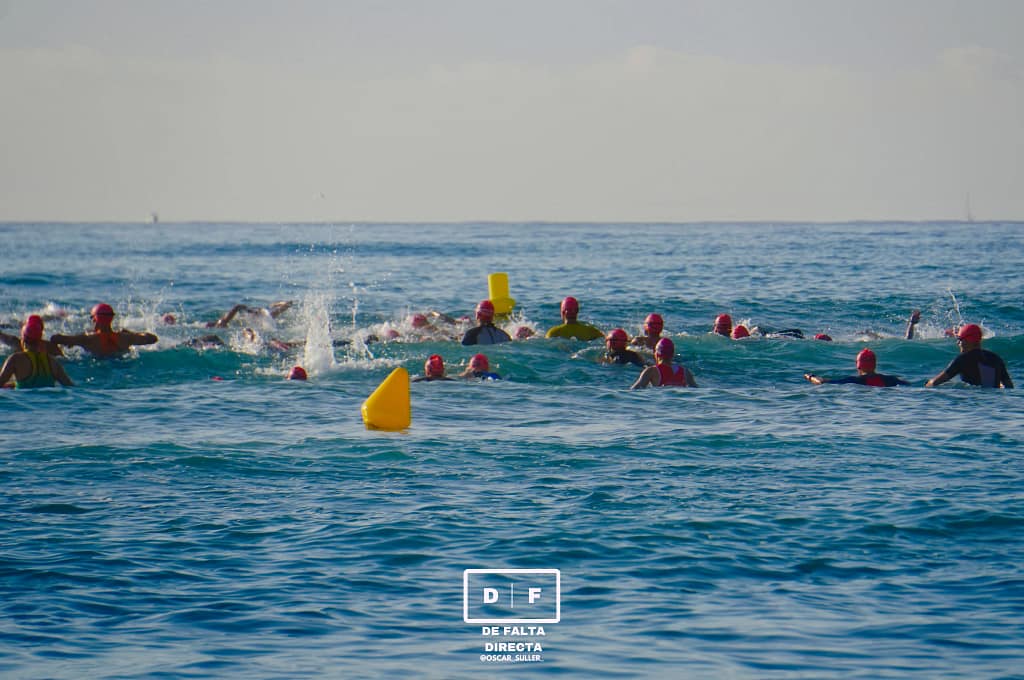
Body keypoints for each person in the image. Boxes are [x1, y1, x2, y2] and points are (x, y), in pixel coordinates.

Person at [50, 303, 158, 357]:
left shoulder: (88, 338)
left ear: (95, 319)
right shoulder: (125, 337)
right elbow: (152, 339)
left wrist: (75, 339)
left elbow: (55, 338)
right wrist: (131, 334)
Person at [925, 324, 1013, 388]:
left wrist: (927, 384)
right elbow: (1009, 387)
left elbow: (935, 383)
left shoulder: (962, 360)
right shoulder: (996, 358)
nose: (958, 343)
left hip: (972, 403)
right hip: (993, 403)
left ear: (968, 340)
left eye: (960, 339)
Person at [0, 316, 73, 388]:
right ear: (40, 340)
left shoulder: (15, 359)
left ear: (22, 340)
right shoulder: (53, 362)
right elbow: (71, 387)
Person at [804, 348, 909, 387]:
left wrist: (810, 376)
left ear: (858, 365)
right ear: (875, 364)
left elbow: (821, 382)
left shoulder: (853, 381)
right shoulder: (891, 379)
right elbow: (908, 385)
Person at [631, 338, 697, 389]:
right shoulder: (685, 372)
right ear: (673, 354)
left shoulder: (651, 371)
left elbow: (635, 390)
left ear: (656, 354)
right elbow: (696, 390)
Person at [206, 301, 293, 328]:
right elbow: (288, 304)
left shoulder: (221, 323)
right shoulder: (266, 317)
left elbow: (238, 306)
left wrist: (248, 310)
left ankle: (276, 304)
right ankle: (276, 304)